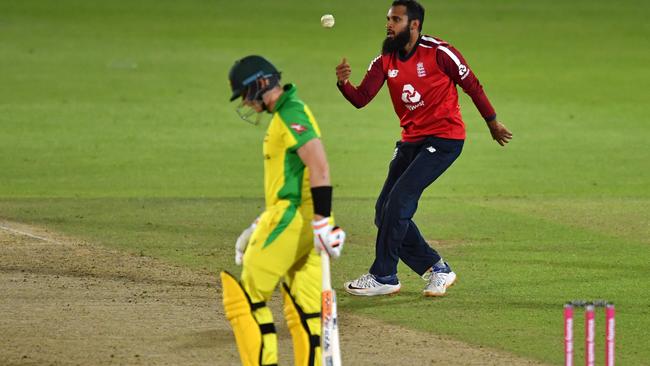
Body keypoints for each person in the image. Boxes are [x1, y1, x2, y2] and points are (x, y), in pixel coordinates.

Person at [335, 0, 512, 297]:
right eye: (388, 19)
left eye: (396, 19)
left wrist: (492, 122)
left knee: (399, 202)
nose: (389, 24)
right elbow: (362, 97)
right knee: (383, 211)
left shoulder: (440, 52)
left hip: (444, 140)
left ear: (414, 25)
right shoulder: (384, 59)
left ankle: (384, 275)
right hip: (411, 141)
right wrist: (343, 84)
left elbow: (472, 85)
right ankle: (437, 268)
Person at [220, 55, 346, 366]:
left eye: (246, 94)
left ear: (262, 84)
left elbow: (319, 166)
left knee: (246, 300)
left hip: (294, 220)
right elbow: (291, 181)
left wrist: (321, 222)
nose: (247, 103)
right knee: (307, 309)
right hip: (299, 219)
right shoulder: (288, 114)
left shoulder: (291, 113)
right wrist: (260, 222)